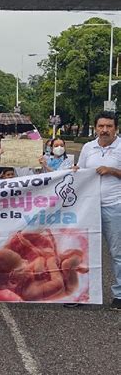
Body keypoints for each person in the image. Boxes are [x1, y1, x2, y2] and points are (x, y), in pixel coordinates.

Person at [77, 111, 121, 310]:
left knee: (116, 252)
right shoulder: (88, 148)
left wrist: (111, 170)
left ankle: (119, 294)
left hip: (115, 206)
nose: (104, 130)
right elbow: (80, 172)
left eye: (109, 126)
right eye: (101, 126)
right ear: (96, 128)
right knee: (83, 251)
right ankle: (80, 293)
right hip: (89, 207)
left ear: (116, 128)